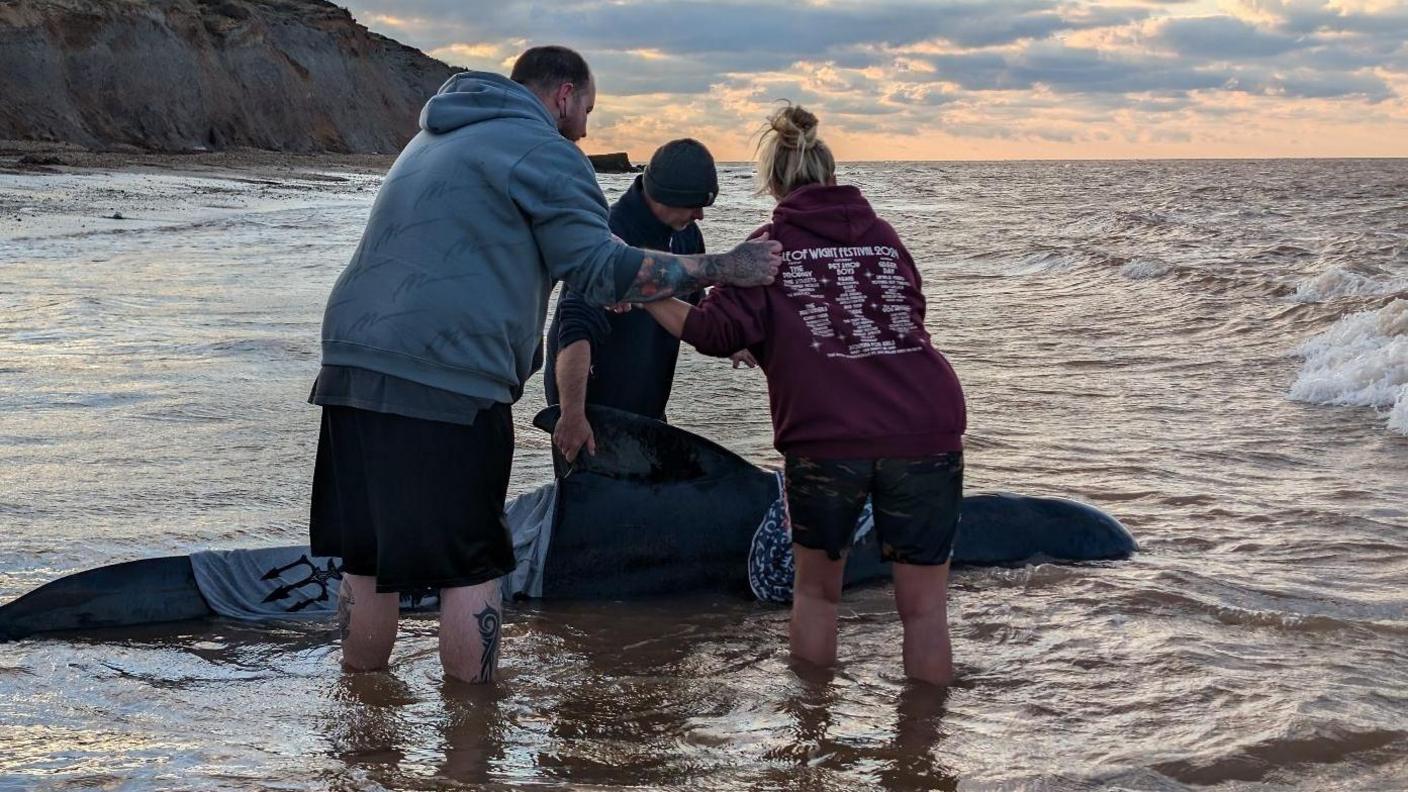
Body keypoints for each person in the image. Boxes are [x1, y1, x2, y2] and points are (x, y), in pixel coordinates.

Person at [307, 46, 781, 684]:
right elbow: (598, 269)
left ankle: (364, 728)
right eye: (588, 107)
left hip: (347, 363)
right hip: (447, 379)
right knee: (473, 566)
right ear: (563, 95)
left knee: (367, 558)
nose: (587, 125)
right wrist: (723, 267)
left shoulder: (434, 138)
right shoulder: (546, 150)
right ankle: (472, 749)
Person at [640, 104, 967, 685]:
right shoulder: (886, 238)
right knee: (923, 611)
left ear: (772, 182)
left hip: (829, 438)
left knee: (817, 597)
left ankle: (811, 747)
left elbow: (713, 331)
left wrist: (645, 295)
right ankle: (922, 757)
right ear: (832, 173)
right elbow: (899, 317)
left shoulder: (771, 245)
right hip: (928, 424)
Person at [545, 138, 718, 462]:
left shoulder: (686, 233)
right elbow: (574, 330)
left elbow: (696, 304)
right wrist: (571, 415)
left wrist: (735, 335)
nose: (701, 215)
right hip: (591, 413)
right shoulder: (607, 236)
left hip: (648, 411)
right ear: (666, 197)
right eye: (695, 204)